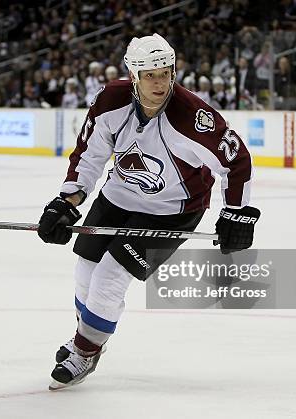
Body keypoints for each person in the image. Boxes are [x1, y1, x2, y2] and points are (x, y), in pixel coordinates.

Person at [37, 34, 260, 390]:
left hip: (173, 209)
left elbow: (237, 161)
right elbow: (89, 154)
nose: (160, 82)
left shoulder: (192, 117)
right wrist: (67, 201)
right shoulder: (110, 100)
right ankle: (87, 335)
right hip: (117, 196)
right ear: (134, 75)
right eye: (150, 74)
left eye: (166, 72)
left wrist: (236, 213)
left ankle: (85, 350)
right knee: (86, 271)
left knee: (110, 277)